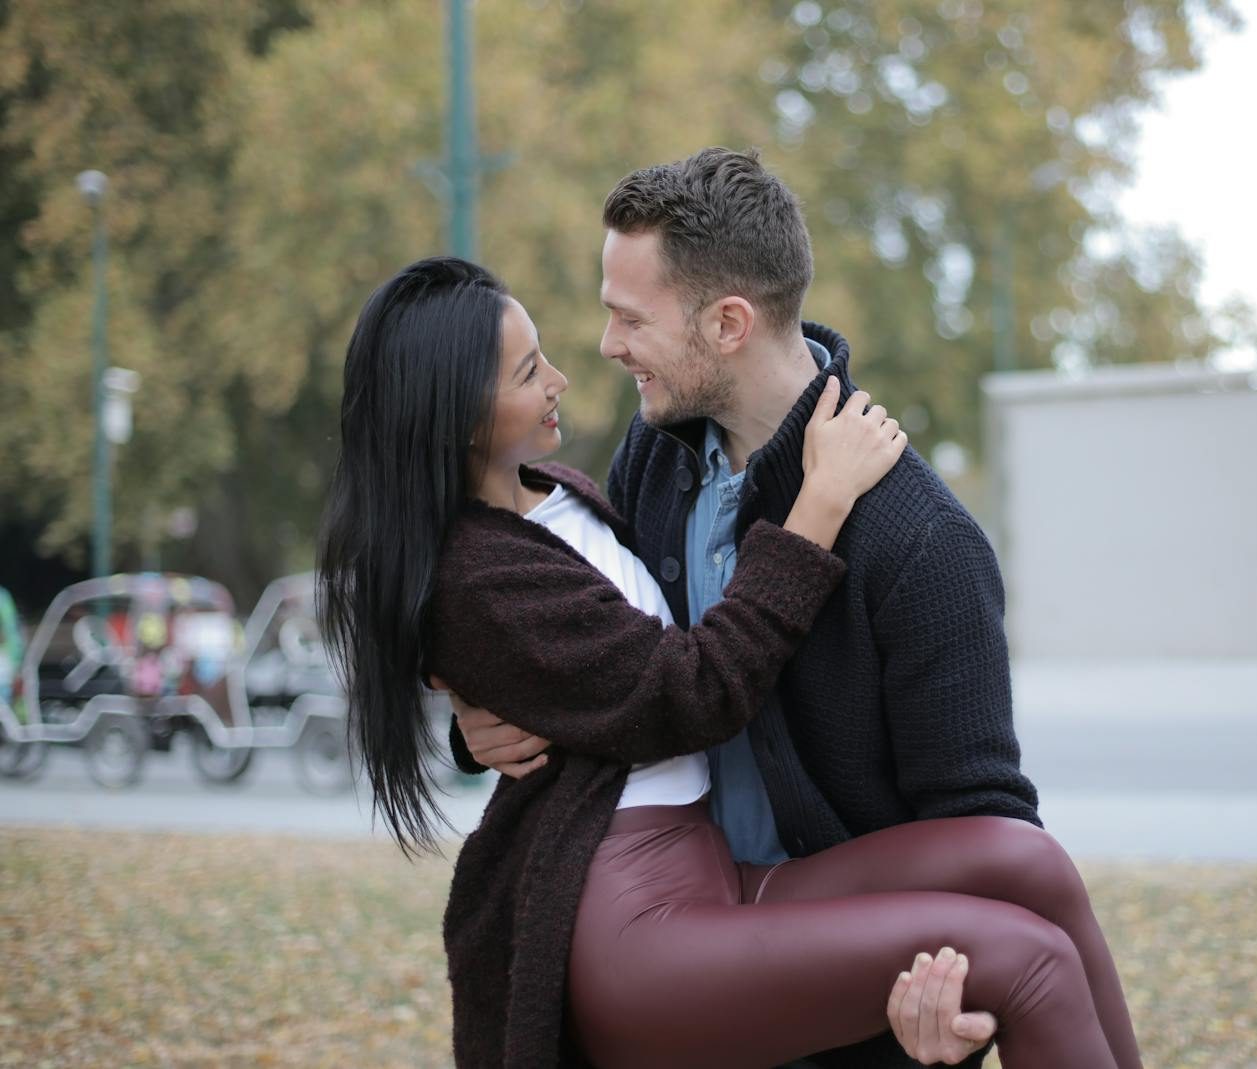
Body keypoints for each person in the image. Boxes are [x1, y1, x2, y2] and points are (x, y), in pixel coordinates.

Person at [320, 256, 1139, 1069]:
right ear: (459, 416)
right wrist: (817, 504)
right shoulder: (483, 570)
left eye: (624, 323)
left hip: (725, 879)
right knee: (1029, 961)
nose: (571, 372)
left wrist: (496, 704)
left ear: (730, 324)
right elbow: (690, 687)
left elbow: (582, 664)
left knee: (1028, 863)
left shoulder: (561, 489)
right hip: (639, 931)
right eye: (532, 370)